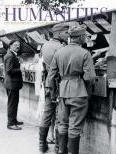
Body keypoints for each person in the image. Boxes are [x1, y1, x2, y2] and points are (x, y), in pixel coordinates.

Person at [46, 25, 96, 154]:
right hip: (79, 92)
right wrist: (88, 91)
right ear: (79, 37)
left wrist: (53, 94)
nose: (85, 38)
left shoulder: (59, 52)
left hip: (62, 93)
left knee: (63, 125)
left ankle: (61, 151)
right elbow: (90, 78)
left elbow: (50, 77)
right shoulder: (85, 53)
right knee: (74, 128)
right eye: (84, 36)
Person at [39, 24, 69, 153]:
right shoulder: (62, 48)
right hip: (59, 85)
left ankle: (42, 144)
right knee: (60, 116)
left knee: (46, 114)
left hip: (48, 84)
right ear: (58, 33)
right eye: (65, 32)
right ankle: (58, 147)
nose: (67, 34)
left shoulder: (45, 45)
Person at [4, 40, 24, 130]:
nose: (17, 46)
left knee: (14, 103)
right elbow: (9, 70)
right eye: (15, 45)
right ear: (10, 45)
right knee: (12, 104)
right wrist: (21, 69)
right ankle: (11, 124)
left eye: (18, 45)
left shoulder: (12, 54)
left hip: (13, 84)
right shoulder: (10, 55)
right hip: (12, 84)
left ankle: (14, 120)